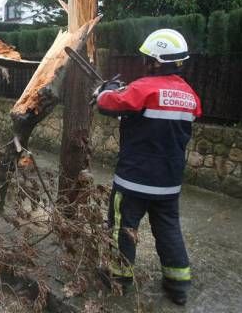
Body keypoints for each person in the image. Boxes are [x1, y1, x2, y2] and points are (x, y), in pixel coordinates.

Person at [94, 29, 202, 305]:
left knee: (122, 226)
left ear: (155, 61)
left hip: (134, 179)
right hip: (169, 182)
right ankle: (178, 284)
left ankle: (119, 277)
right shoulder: (190, 96)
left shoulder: (142, 88)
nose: (144, 63)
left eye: (146, 58)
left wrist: (104, 91)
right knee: (168, 228)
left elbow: (108, 104)